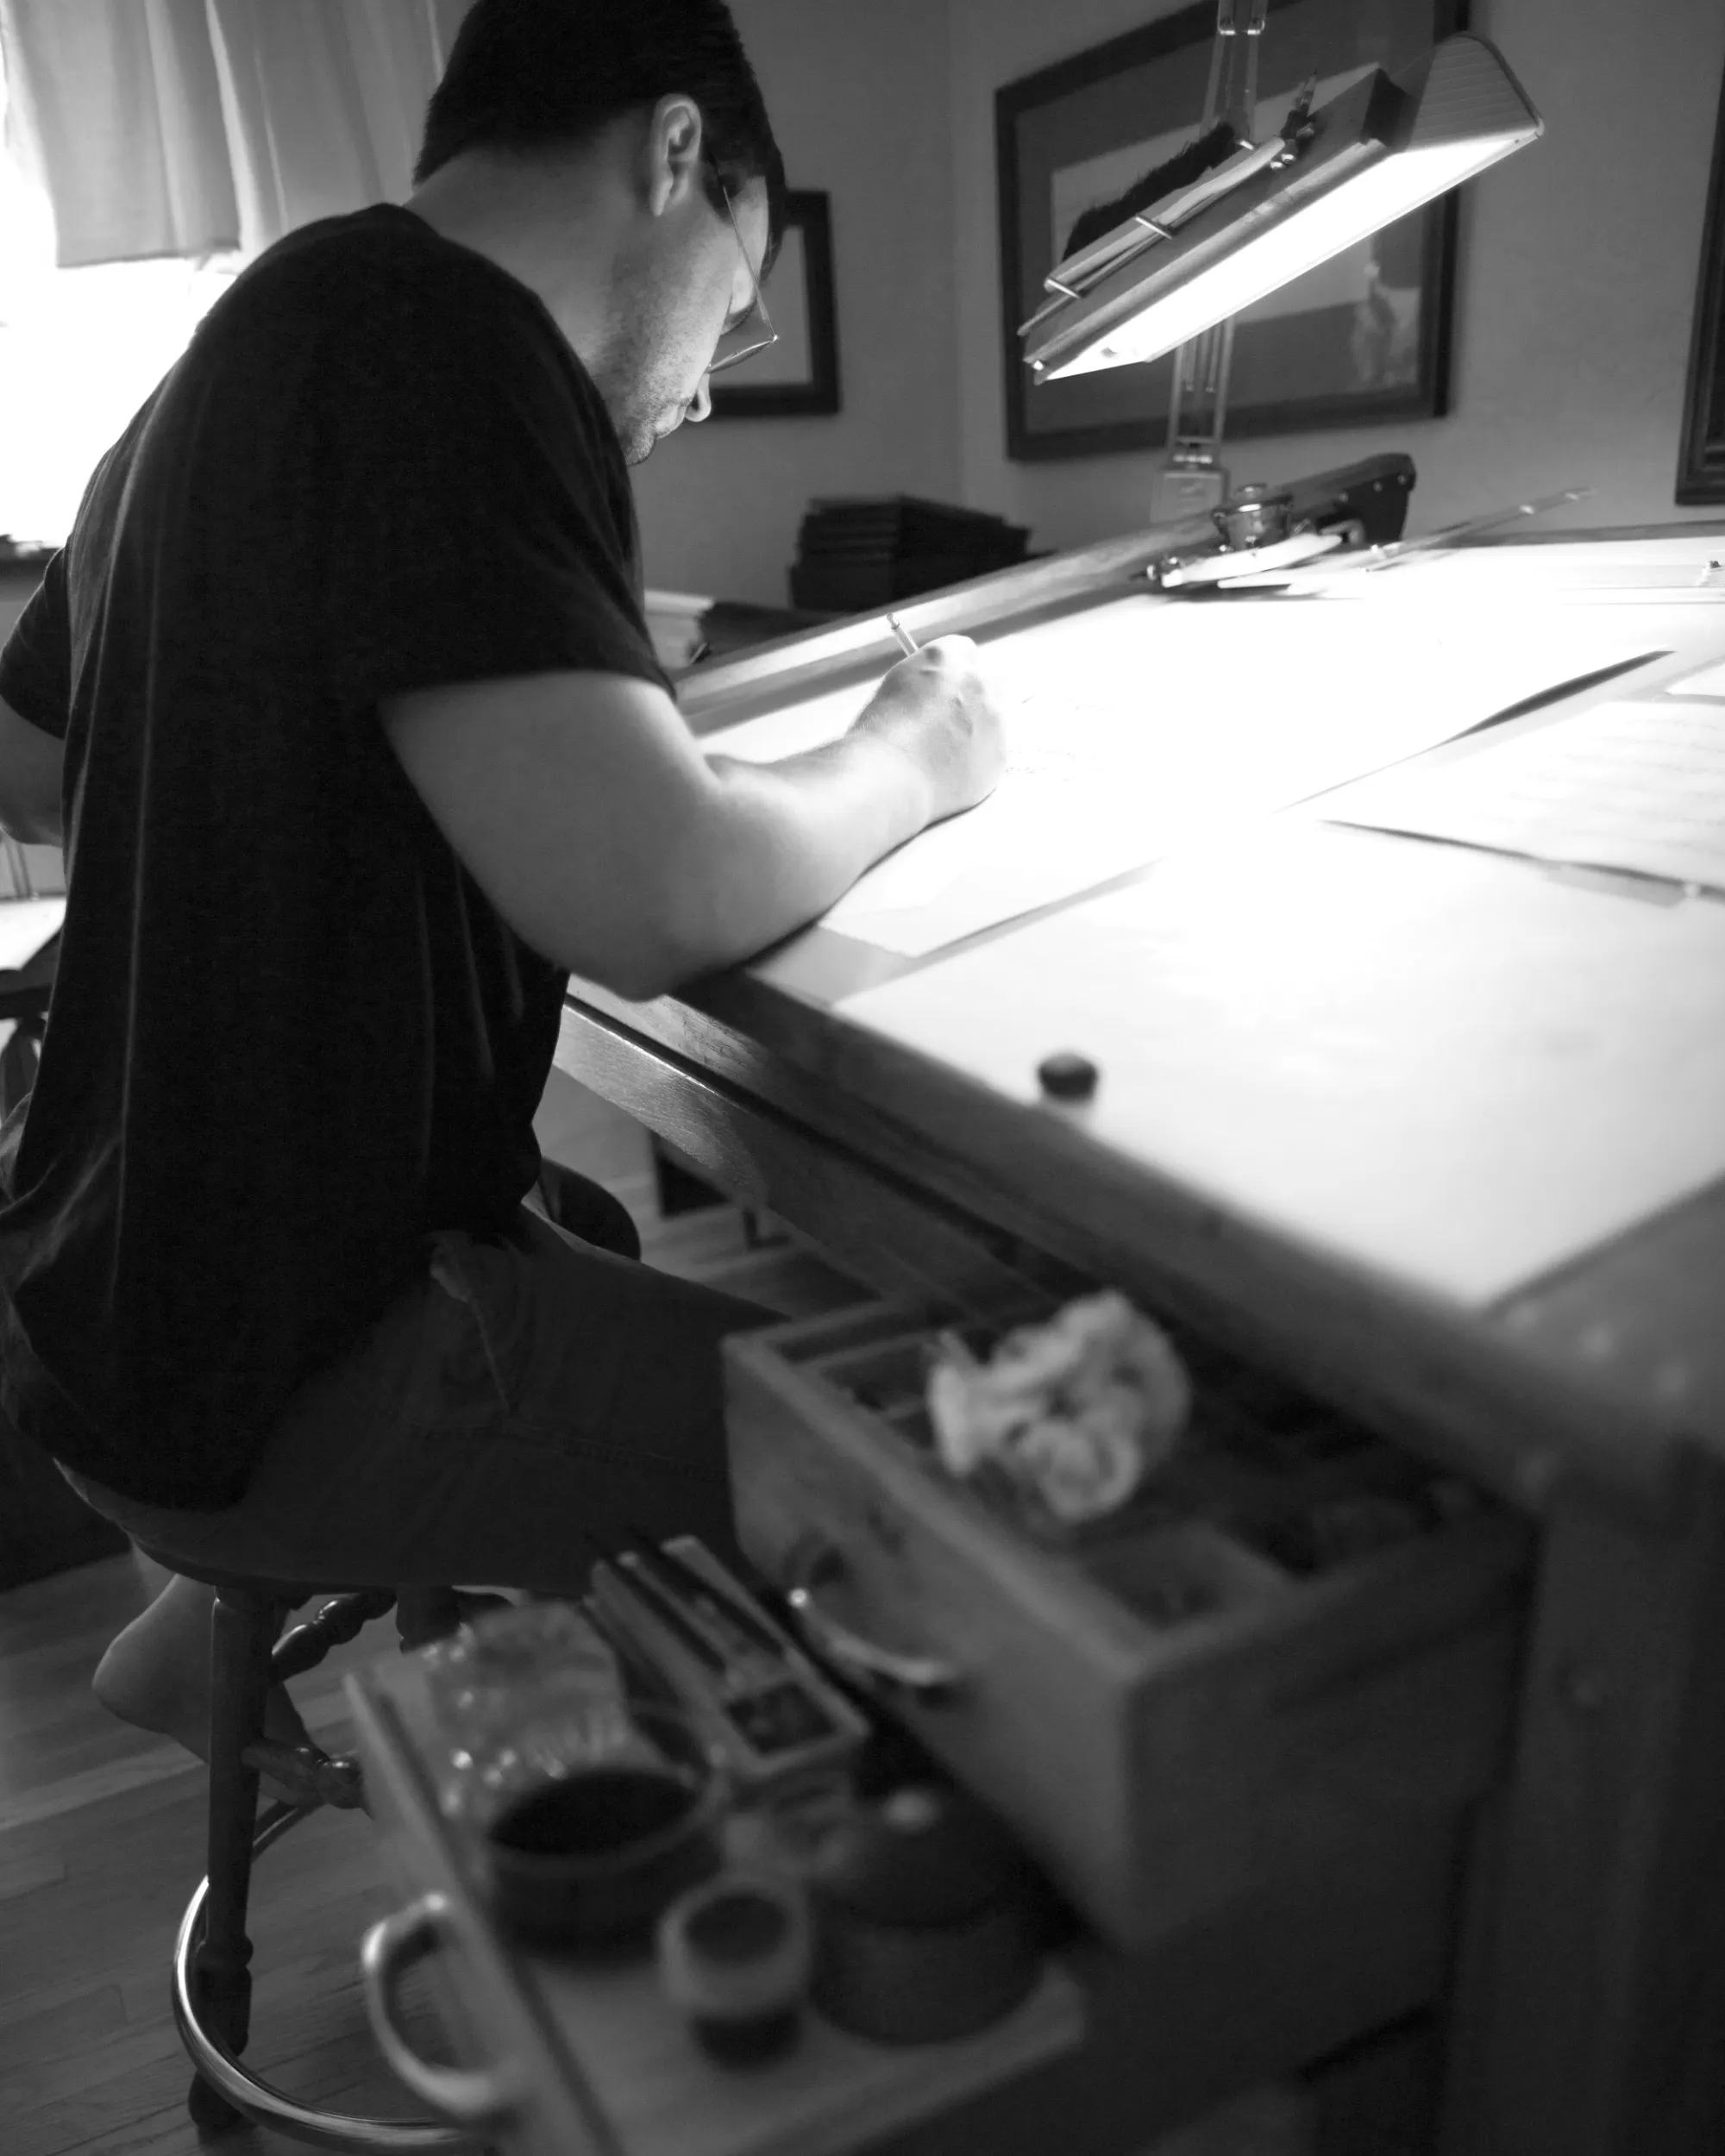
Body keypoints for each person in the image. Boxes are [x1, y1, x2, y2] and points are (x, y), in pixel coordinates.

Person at [0, 0, 1004, 1773]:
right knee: (953, 1478)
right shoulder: (445, 334)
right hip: (306, 1364)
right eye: (737, 294)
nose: (709, 378)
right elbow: (659, 892)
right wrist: (912, 750)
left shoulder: (225, 364)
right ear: (672, 154)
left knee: (587, 1240)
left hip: (110, 1307)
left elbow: (22, 752)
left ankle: (197, 1615)